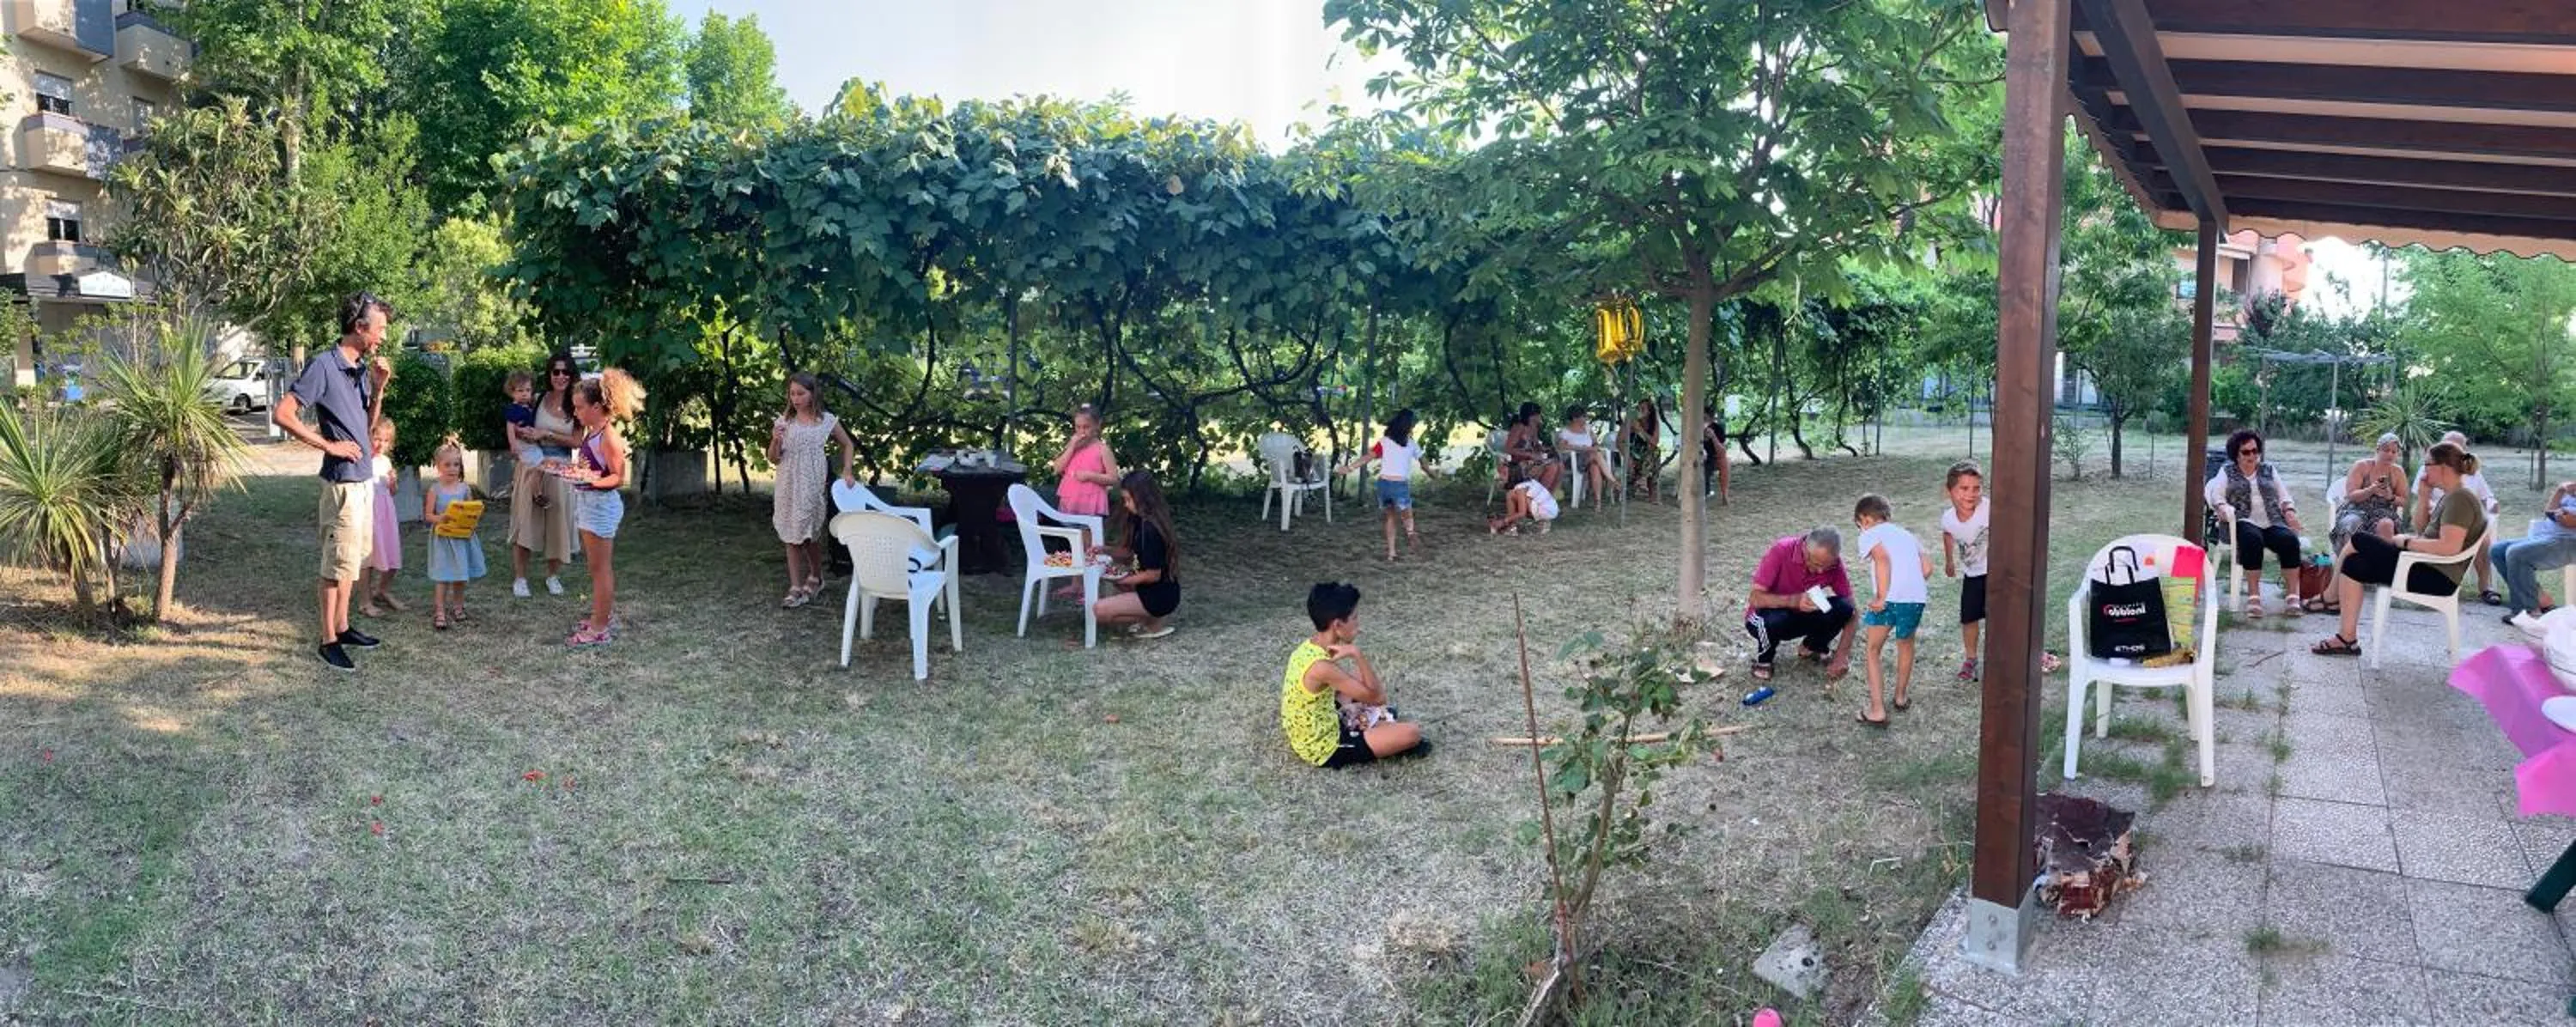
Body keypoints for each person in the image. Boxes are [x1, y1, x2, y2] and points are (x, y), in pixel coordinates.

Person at [271, 293, 394, 672]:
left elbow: (368, 428)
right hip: (341, 485)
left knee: (351, 563)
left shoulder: (358, 369)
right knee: (334, 564)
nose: (383, 337)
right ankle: (327, 641)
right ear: (359, 328)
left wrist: (379, 387)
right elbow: (283, 413)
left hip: (361, 481)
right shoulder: (324, 365)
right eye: (380, 329)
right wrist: (328, 445)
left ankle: (342, 627)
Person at [2312, 441, 2489, 656]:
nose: (2424, 470)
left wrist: (2405, 542)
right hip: (2423, 566)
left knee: (2360, 539)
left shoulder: (2461, 499)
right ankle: (2346, 639)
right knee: (2353, 565)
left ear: (2442, 467)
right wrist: (2424, 497)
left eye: (2427, 464)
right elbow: (2422, 528)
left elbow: (2449, 547)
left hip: (2436, 577)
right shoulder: (2451, 496)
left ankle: (2330, 597)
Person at [1281, 581, 1425, 768]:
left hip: (1318, 721)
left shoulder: (1308, 647)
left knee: (1359, 677)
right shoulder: (1322, 667)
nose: (1358, 623)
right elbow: (1379, 698)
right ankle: (1374, 729)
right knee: (1412, 733)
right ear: (1338, 625)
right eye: (1354, 618)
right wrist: (1357, 654)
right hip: (1324, 747)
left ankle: (1370, 721)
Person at [561, 369, 644, 647]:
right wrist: (575, 473)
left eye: (580, 407)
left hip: (600, 507)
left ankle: (599, 628)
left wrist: (589, 481)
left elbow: (617, 477)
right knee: (595, 567)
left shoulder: (608, 436)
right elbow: (591, 468)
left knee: (601, 569)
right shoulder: (592, 432)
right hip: (589, 503)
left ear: (597, 407)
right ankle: (600, 615)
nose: (576, 413)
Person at [768, 373, 860, 608]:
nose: (796, 399)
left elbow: (847, 444)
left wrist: (847, 470)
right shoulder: (784, 422)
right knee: (791, 532)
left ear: (813, 394)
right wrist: (775, 440)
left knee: (808, 532)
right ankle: (796, 587)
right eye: (792, 394)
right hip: (788, 483)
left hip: (811, 483)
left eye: (801, 393)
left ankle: (817, 576)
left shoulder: (825, 421)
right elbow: (773, 459)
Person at [2205, 428, 2308, 618]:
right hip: (2242, 520)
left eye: (2255, 451)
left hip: (2271, 520)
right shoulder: (2227, 471)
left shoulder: (2269, 469)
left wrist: (2290, 512)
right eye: (2246, 452)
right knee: (2252, 540)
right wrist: (2222, 508)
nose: (2252, 456)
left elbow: (2284, 495)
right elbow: (2216, 496)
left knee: (2289, 541)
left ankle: (2293, 595)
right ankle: (2254, 596)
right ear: (2236, 453)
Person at [1853, 495, 1933, 726]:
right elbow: (1927, 568)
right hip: (1915, 599)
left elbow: (1882, 559)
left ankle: (1877, 710)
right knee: (1906, 645)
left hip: (1888, 600)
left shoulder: (1869, 534)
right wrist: (1911, 586)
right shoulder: (1908, 535)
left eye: (1859, 525)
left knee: (1872, 649)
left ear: (1865, 519)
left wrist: (1882, 596)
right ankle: (1900, 697)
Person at [509, 352, 582, 599]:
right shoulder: (537, 398)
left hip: (560, 469)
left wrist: (547, 434)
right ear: (549, 374)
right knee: (525, 522)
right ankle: (520, 578)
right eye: (556, 371)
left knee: (557, 524)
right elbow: (517, 423)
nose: (561, 376)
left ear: (572, 375)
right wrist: (523, 435)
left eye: (566, 372)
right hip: (532, 466)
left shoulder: (576, 404)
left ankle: (553, 576)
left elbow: (576, 441)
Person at [1744, 527, 1857, 684]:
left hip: (1800, 616)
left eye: (1826, 567)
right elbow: (1755, 598)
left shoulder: (1834, 564)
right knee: (1775, 619)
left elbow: (1853, 610)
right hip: (1765, 617)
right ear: (1804, 549)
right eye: (1816, 564)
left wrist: (1842, 655)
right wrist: (1794, 601)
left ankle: (1812, 647)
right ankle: (1764, 660)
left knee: (1844, 607)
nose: (1820, 571)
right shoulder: (1781, 550)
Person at [1089, 470, 1182, 639]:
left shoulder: (1151, 529)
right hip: (1150, 589)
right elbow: (1129, 553)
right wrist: (1104, 549)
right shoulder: (1139, 520)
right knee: (1117, 583)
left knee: (1100, 611)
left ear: (1142, 499)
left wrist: (1124, 579)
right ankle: (1149, 617)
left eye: (1128, 500)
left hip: (1159, 594)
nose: (1125, 505)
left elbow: (1153, 575)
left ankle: (1153, 620)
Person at [2412, 430, 2502, 605]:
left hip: (2464, 521)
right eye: (2448, 445)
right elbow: (2421, 501)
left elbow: (2485, 500)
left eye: (2457, 447)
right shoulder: (2429, 469)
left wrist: (2484, 513)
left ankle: (2485, 587)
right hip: (2436, 518)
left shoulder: (2472, 473)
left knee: (2482, 540)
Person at [1340, 408, 1432, 562]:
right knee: (1407, 513)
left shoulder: (1384, 442)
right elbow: (1424, 465)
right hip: (1400, 485)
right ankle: (1410, 533)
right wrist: (1433, 474)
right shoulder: (1412, 445)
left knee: (1390, 517)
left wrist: (1350, 468)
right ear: (1409, 427)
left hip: (1384, 484)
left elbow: (1368, 457)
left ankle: (1392, 553)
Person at [1050, 404, 1121, 593]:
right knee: (1076, 544)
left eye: (1086, 427)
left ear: (1097, 426)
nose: (1082, 431)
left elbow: (1113, 478)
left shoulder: (1102, 449)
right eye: (1078, 427)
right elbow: (1057, 468)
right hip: (1071, 502)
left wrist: (1091, 476)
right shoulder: (1073, 447)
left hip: (1091, 504)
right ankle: (1077, 584)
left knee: (1090, 546)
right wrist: (1071, 446)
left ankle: (1092, 586)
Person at [2494, 480, 2576, 635]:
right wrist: (2560, 490)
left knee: (2516, 554)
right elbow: (2549, 511)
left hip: (2570, 541)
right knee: (2498, 550)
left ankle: (2529, 611)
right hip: (2548, 535)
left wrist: (2570, 520)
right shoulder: (2572, 490)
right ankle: (2541, 599)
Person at [422, 436, 487, 630]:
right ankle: (440, 611)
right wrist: (439, 518)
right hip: (443, 539)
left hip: (462, 538)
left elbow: (470, 510)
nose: (452, 468)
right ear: (437, 466)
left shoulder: (464, 488)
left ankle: (458, 607)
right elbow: (427, 515)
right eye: (447, 464)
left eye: (456, 464)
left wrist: (473, 520)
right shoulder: (435, 489)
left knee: (460, 575)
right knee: (442, 576)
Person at [2331, 434, 2409, 583]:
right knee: (2351, 523)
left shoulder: (2398, 472)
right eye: (2386, 450)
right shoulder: (2362, 466)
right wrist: (2371, 490)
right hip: (2356, 508)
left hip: (2383, 512)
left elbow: (2404, 501)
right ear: (2378, 449)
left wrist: (2390, 497)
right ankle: (2348, 571)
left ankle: (2380, 573)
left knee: (2387, 524)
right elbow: (2352, 495)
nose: (2390, 454)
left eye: (2394, 451)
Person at [1937, 461, 1990, 683]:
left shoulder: (1988, 508)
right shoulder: (1948, 518)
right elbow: (1948, 534)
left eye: (1976, 488)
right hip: (1972, 573)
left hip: (1995, 573)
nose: (1971, 494)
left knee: (2003, 617)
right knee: (1968, 618)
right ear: (1949, 491)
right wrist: (1949, 561)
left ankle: (2027, 654)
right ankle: (1971, 659)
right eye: (1964, 489)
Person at [359, 417, 404, 617]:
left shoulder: (386, 461)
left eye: (386, 441)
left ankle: (383, 590)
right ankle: (365, 601)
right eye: (376, 438)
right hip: (368, 513)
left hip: (386, 514)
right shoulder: (362, 460)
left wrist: (393, 482)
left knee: (392, 555)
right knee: (367, 559)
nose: (380, 444)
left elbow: (392, 491)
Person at [1557, 404, 1614, 511]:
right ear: (1575, 418)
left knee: (1595, 467)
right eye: (1583, 416)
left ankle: (1598, 502)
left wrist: (1592, 448)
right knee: (1595, 454)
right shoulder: (1566, 432)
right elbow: (1561, 446)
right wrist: (1581, 448)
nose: (1586, 419)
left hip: (1589, 458)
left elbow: (1596, 443)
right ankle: (1611, 479)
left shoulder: (1587, 429)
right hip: (1574, 460)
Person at [1503, 401, 1562, 495]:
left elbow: (1534, 446)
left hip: (1531, 462)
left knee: (1560, 466)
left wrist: (1543, 449)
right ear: (1532, 416)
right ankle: (1536, 498)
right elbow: (1508, 449)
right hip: (1518, 465)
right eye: (1539, 414)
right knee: (1552, 467)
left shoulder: (1534, 427)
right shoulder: (1519, 427)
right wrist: (1530, 454)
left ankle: (1547, 497)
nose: (1540, 416)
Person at [1488, 465, 1558, 535]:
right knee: (1512, 495)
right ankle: (1511, 525)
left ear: (1513, 476)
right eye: (1500, 473)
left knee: (1511, 495)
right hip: (1551, 509)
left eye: (1504, 474)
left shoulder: (1521, 488)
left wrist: (1504, 521)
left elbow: (1522, 513)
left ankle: (1511, 526)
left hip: (1546, 510)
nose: (1500, 476)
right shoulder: (1526, 483)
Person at [1624, 398, 1661, 501]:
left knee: (1654, 451)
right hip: (1634, 450)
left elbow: (1654, 442)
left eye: (1643, 409)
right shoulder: (1633, 421)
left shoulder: (1654, 423)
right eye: (1638, 408)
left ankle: (1643, 479)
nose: (1640, 411)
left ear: (1649, 411)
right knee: (1654, 454)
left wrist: (1640, 430)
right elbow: (1623, 439)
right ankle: (1645, 482)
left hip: (1647, 453)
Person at [1702, 404, 1730, 504]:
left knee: (1724, 462)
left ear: (1712, 418)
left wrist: (1713, 437)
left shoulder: (1718, 429)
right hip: (1698, 456)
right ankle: (1703, 493)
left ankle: (1725, 495)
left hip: (1714, 457)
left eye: (1706, 419)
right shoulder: (1694, 428)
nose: (1704, 422)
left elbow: (1722, 451)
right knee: (1703, 467)